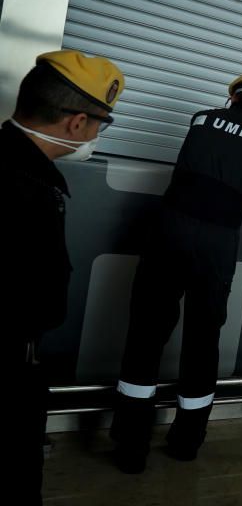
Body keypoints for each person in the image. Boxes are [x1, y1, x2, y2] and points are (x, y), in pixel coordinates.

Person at [111, 73, 242, 472]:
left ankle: (130, 446)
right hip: (218, 242)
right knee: (203, 336)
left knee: (146, 330)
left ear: (232, 97)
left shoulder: (201, 119)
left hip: (168, 228)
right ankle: (186, 442)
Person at [1, 50, 124, 505]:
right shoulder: (24, 186)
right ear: (76, 124)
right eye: (100, 123)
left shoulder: (20, 167)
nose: (96, 133)